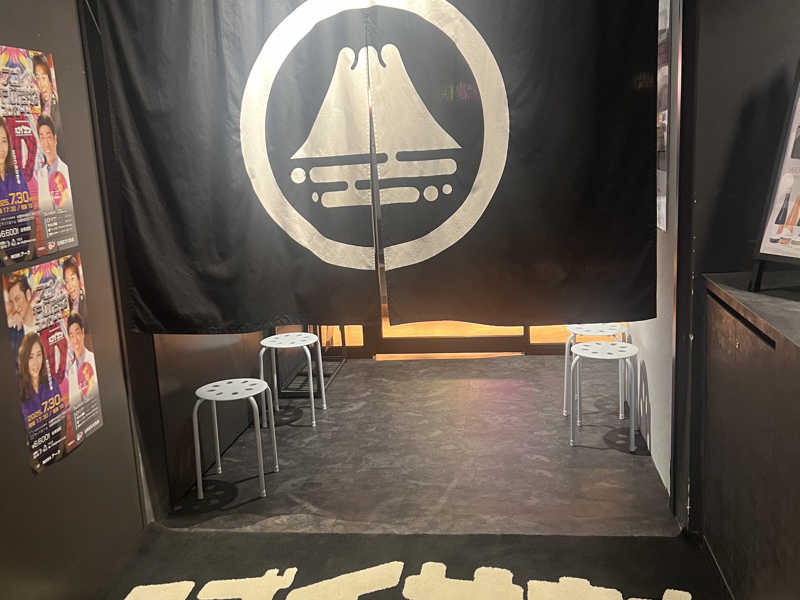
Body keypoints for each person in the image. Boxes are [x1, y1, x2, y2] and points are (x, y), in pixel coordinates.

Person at [18, 331, 64, 470]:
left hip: (59, 453)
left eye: (39, 355)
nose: (35, 362)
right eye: (30, 357)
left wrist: (61, 450)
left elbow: (62, 417)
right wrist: (35, 465)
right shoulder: (19, 394)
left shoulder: (52, 382)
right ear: (24, 360)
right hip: (35, 466)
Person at [0, 117, 34, 263]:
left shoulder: (18, 175)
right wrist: (6, 260)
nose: (1, 148)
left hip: (27, 250)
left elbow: (31, 216)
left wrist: (30, 251)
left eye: (3, 141)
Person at [35, 114, 72, 216]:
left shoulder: (66, 169)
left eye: (48, 137)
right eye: (42, 138)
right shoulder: (40, 175)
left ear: (55, 139)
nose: (46, 143)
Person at [64, 312, 98, 411]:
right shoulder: (71, 372)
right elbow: (73, 405)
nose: (75, 340)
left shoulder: (93, 359)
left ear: (83, 332)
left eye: (77, 333)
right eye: (71, 335)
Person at [5, 272, 36, 369]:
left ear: (28, 295)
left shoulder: (46, 321)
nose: (15, 307)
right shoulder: (14, 334)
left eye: (17, 299)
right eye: (12, 302)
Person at [33, 54, 61, 136]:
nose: (41, 84)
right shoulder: (38, 102)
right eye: (37, 78)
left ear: (50, 79)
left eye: (43, 78)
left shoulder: (57, 105)